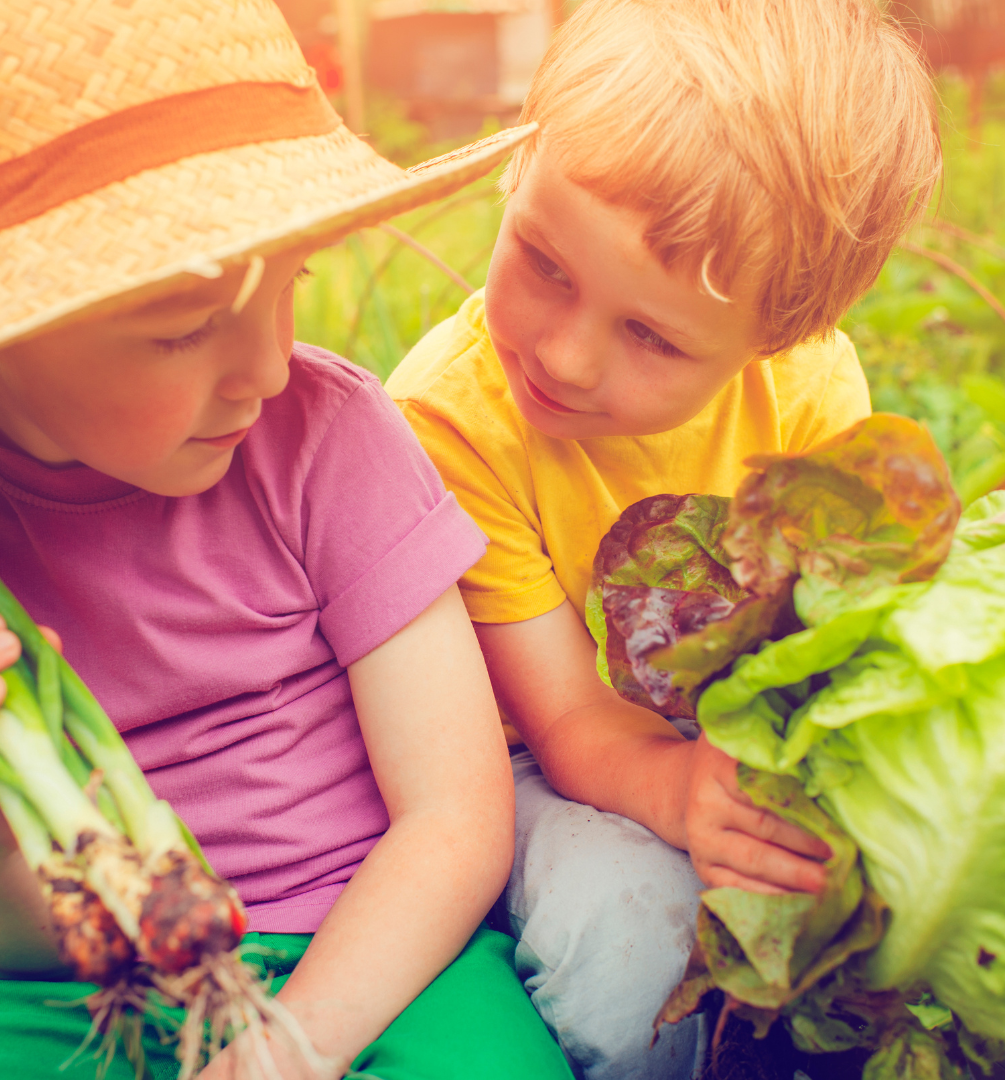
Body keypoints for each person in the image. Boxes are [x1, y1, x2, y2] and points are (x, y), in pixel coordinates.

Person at [0, 3, 575, 1079]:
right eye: (183, 328)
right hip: (74, 989)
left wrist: (299, 1037)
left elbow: (455, 820)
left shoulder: (327, 433)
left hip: (379, 949)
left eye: (293, 283)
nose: (266, 369)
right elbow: (7, 945)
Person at [385, 1, 942, 1077]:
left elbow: (830, 642)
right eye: (545, 263)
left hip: (726, 747)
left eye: (648, 333)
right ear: (517, 169)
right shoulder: (446, 421)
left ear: (774, 338)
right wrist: (687, 799)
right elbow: (565, 719)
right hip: (533, 765)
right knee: (634, 963)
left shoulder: (811, 384)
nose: (568, 357)